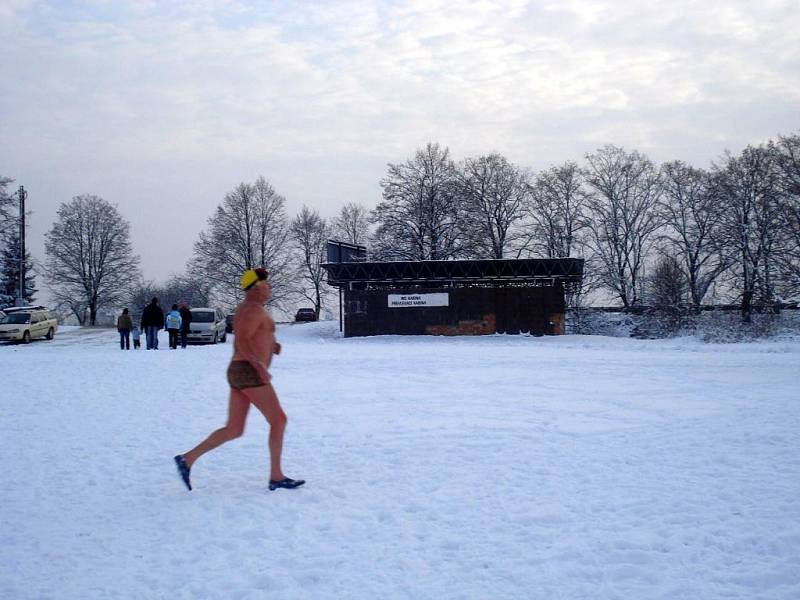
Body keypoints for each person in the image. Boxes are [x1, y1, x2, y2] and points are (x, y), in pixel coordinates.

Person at [174, 267, 304, 492]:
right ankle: (276, 476)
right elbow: (242, 340)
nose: (270, 286)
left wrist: (271, 345)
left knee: (234, 429)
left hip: (240, 371)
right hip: (248, 371)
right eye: (266, 283)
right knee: (279, 420)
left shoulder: (252, 309)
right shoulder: (252, 310)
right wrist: (258, 365)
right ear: (255, 287)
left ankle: (187, 459)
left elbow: (253, 336)